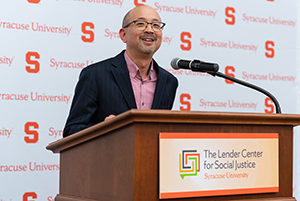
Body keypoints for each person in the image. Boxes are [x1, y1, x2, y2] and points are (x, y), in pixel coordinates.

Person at [63, 5, 178, 137]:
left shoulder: (169, 82)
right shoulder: (95, 75)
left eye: (156, 25)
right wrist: (104, 128)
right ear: (123, 35)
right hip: (108, 156)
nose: (150, 30)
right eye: (141, 24)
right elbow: (72, 130)